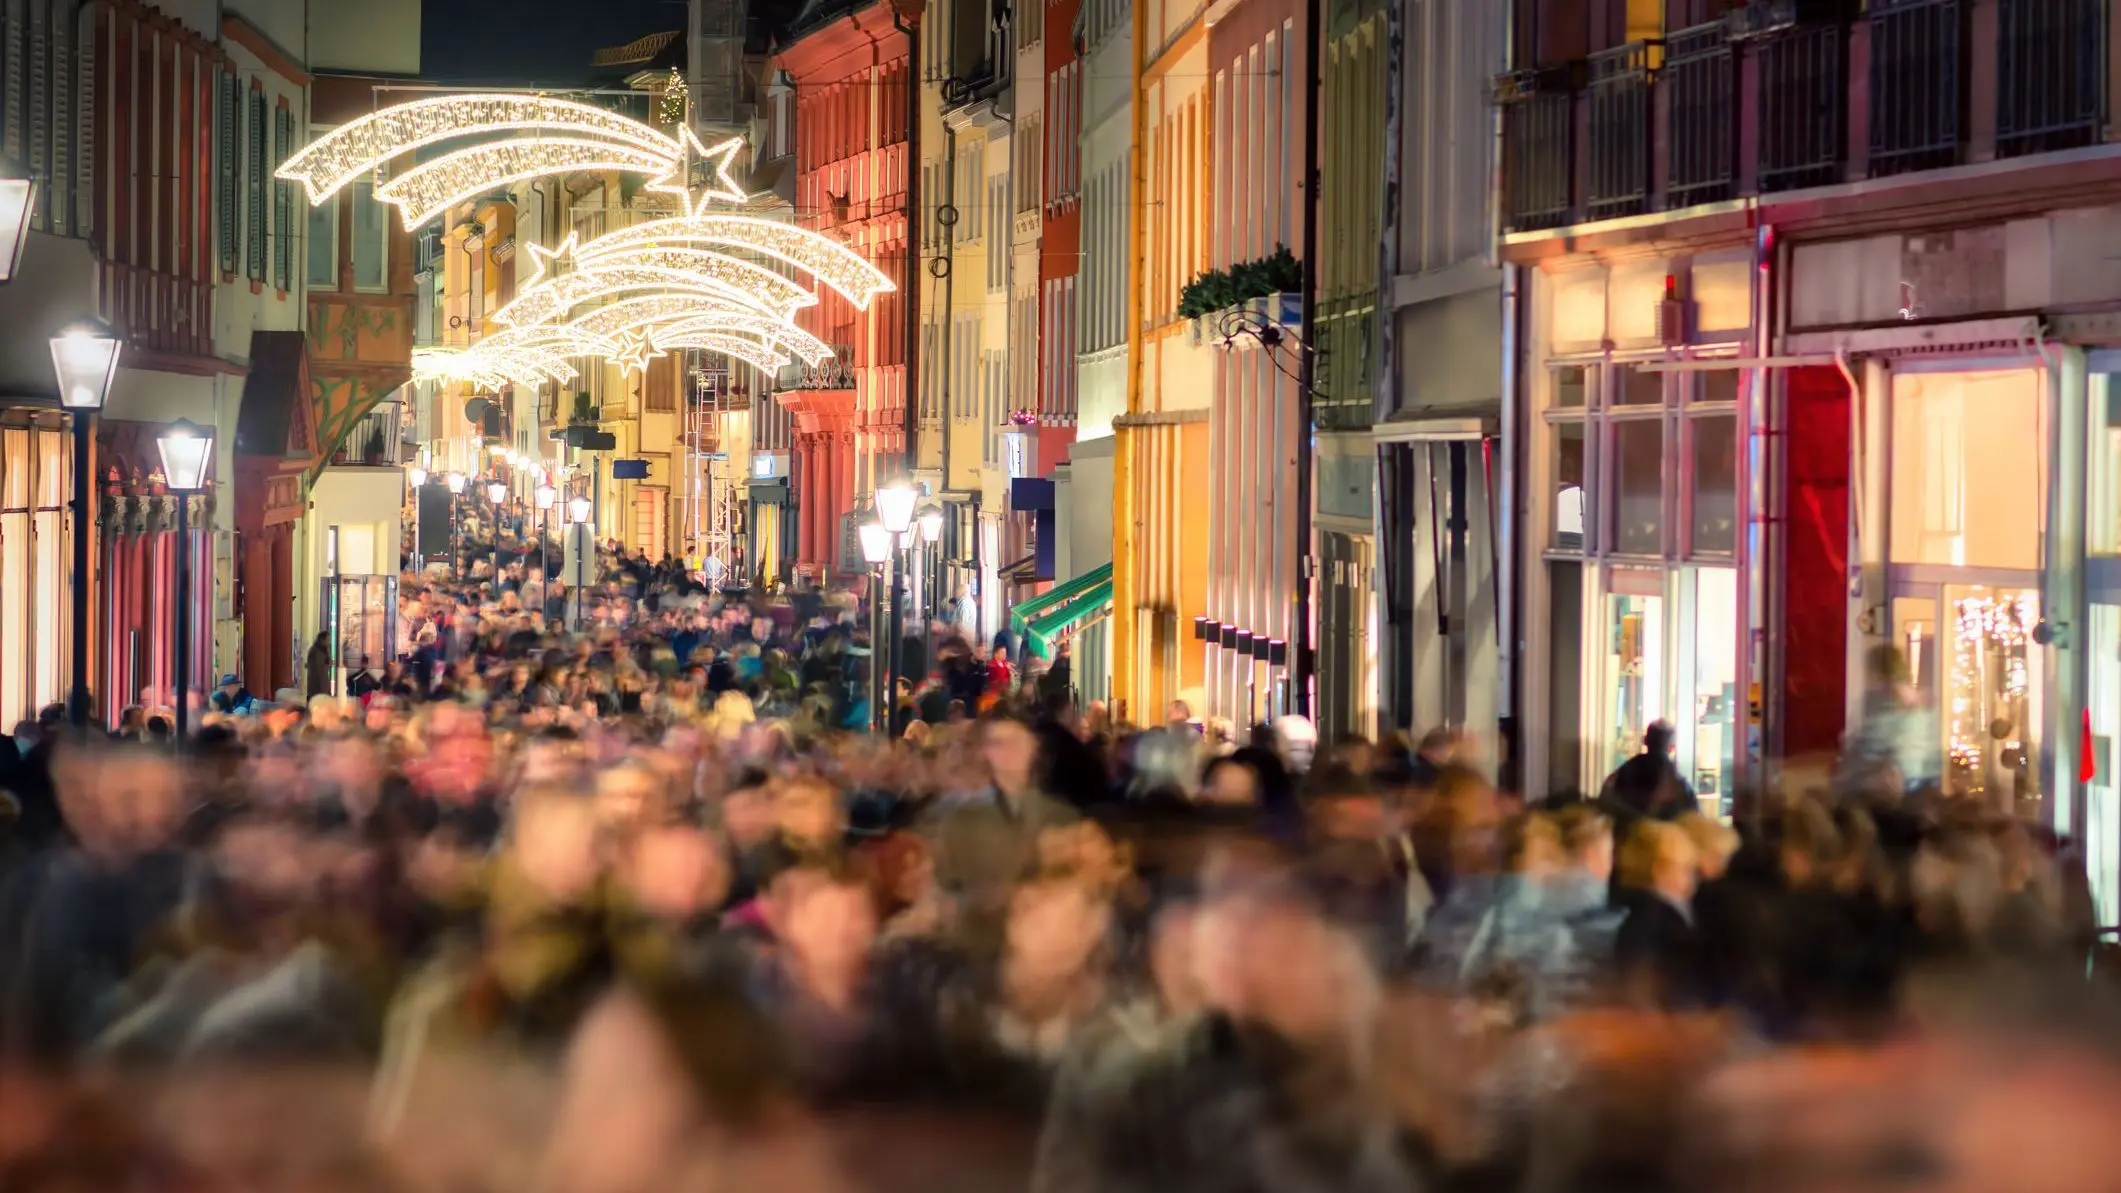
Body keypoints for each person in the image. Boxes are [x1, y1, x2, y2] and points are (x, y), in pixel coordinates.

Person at [306, 632, 335, 702]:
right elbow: (315, 667)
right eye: (327, 639)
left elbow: (329, 663)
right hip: (316, 685)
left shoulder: (326, 649)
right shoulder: (314, 650)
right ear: (322, 639)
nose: (329, 641)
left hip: (324, 683)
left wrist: (329, 661)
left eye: (329, 639)